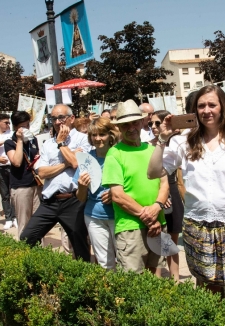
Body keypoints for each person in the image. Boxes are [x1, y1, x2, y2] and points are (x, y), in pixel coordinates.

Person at [148, 85, 225, 316]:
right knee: (208, 288)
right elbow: (153, 172)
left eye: (212, 104)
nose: (207, 110)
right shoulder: (183, 142)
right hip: (198, 226)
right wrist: (162, 139)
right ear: (194, 110)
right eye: (201, 106)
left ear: (223, 108)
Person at [20, 104, 92, 261]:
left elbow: (76, 163)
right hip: (50, 201)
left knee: (80, 248)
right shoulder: (47, 144)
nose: (58, 122)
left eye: (61, 117)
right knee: (27, 238)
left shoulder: (83, 139)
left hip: (73, 201)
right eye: (54, 118)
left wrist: (62, 144)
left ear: (72, 119)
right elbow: (42, 172)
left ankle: (85, 281)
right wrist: (65, 162)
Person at [104, 100, 168, 274]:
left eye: (134, 122)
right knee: (134, 284)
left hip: (158, 223)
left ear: (142, 122)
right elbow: (117, 195)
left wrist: (156, 208)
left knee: (157, 277)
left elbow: (164, 183)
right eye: (125, 124)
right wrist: (148, 217)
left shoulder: (152, 149)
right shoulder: (115, 153)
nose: (131, 127)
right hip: (130, 228)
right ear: (119, 127)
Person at [77, 117, 120, 270]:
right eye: (94, 135)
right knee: (104, 263)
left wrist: (114, 194)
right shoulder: (86, 160)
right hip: (93, 217)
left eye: (102, 134)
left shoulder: (119, 155)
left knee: (124, 260)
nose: (97, 139)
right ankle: (109, 293)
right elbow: (81, 198)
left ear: (110, 135)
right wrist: (82, 187)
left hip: (120, 216)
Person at [148, 109, 185, 282]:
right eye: (151, 124)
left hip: (172, 193)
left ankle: (175, 281)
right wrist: (160, 198)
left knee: (171, 242)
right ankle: (157, 281)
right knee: (158, 242)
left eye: (157, 123)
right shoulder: (148, 145)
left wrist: (169, 196)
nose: (154, 127)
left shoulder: (176, 143)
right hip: (156, 195)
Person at [4, 111, 42, 238]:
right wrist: (20, 140)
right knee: (24, 222)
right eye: (23, 126)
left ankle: (39, 251)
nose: (26, 128)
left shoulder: (33, 139)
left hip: (36, 184)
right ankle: (25, 252)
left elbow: (36, 157)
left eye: (28, 125)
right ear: (15, 127)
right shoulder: (10, 142)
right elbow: (16, 162)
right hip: (21, 186)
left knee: (38, 222)